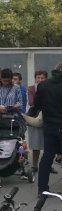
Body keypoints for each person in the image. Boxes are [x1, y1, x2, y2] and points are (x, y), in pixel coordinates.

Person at [34, 62, 62, 196]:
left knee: (47, 157)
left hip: (49, 124)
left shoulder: (43, 85)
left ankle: (42, 189)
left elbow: (37, 104)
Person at [26, 70, 54, 174]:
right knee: (35, 143)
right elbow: (31, 102)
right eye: (38, 78)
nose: (40, 80)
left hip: (48, 117)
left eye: (42, 78)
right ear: (35, 78)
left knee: (50, 144)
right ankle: (34, 166)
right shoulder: (31, 89)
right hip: (35, 117)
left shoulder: (50, 87)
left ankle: (48, 165)